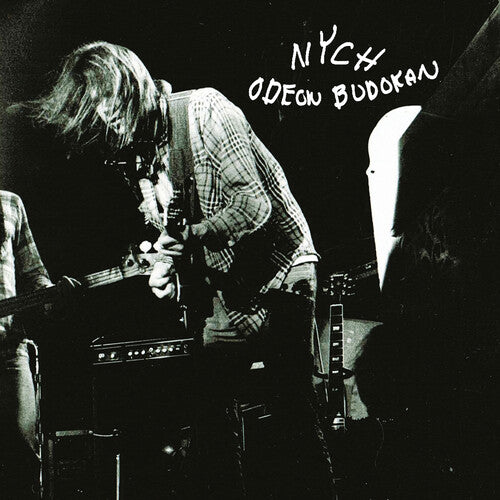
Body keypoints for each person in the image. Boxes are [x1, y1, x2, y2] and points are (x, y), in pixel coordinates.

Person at [24, 41, 335, 499]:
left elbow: (254, 206)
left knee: (291, 405)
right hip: (230, 290)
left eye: (110, 98)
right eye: (97, 106)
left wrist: (191, 237)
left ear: (135, 83)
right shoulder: (141, 159)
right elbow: (173, 238)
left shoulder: (205, 110)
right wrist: (166, 273)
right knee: (207, 412)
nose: (106, 114)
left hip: (281, 270)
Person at [0, 190, 77, 499]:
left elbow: (33, 272)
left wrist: (50, 294)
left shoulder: (10, 203)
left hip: (9, 349)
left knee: (22, 457)